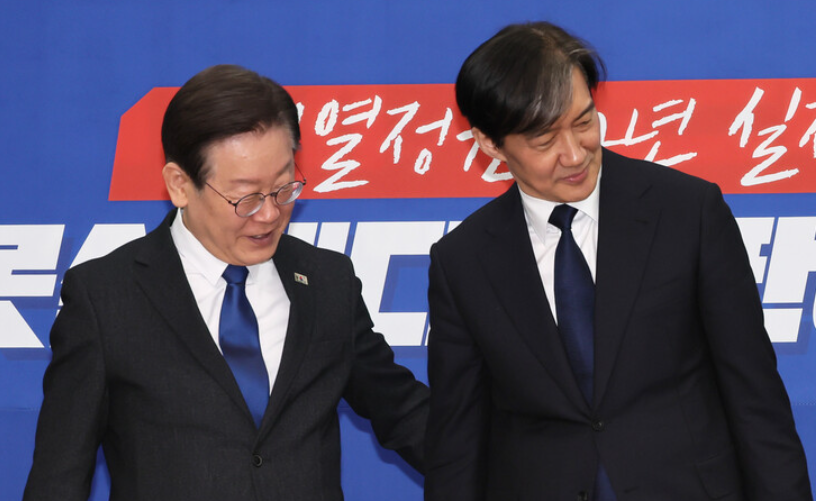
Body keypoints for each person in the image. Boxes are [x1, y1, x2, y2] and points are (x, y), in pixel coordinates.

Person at [424, 21, 811, 501]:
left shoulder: (687, 212)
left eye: (584, 122)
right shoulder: (462, 261)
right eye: (544, 140)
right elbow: (457, 444)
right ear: (489, 144)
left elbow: (756, 398)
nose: (574, 154)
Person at [24, 64, 429, 501]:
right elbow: (58, 478)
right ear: (180, 185)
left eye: (284, 187)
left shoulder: (328, 282)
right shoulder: (105, 298)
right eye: (246, 197)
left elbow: (407, 415)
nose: (270, 214)